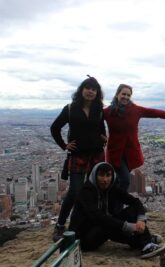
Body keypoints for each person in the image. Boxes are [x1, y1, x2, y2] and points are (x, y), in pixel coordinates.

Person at [68, 162, 165, 259]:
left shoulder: (111, 188)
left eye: (108, 175)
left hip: (102, 228)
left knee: (131, 211)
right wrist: (129, 226)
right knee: (110, 226)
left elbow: (134, 201)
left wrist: (141, 220)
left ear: (112, 176)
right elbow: (98, 218)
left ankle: (145, 243)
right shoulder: (86, 192)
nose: (105, 179)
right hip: (84, 239)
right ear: (94, 176)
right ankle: (146, 242)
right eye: (101, 175)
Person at [104, 84, 165, 196]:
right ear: (117, 94)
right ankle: (116, 208)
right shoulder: (108, 112)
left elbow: (156, 113)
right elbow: (94, 121)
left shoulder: (136, 110)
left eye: (128, 95)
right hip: (115, 153)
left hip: (130, 153)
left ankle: (112, 206)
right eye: (123, 94)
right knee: (125, 180)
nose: (126, 97)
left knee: (119, 181)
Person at [50, 75, 106, 241]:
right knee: (75, 192)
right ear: (81, 90)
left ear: (97, 93)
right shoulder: (70, 109)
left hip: (96, 153)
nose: (90, 91)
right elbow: (55, 128)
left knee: (94, 190)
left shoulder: (99, 110)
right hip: (78, 155)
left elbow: (101, 128)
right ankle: (60, 225)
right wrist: (64, 145)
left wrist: (104, 136)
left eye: (93, 89)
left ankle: (87, 223)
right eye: (87, 88)